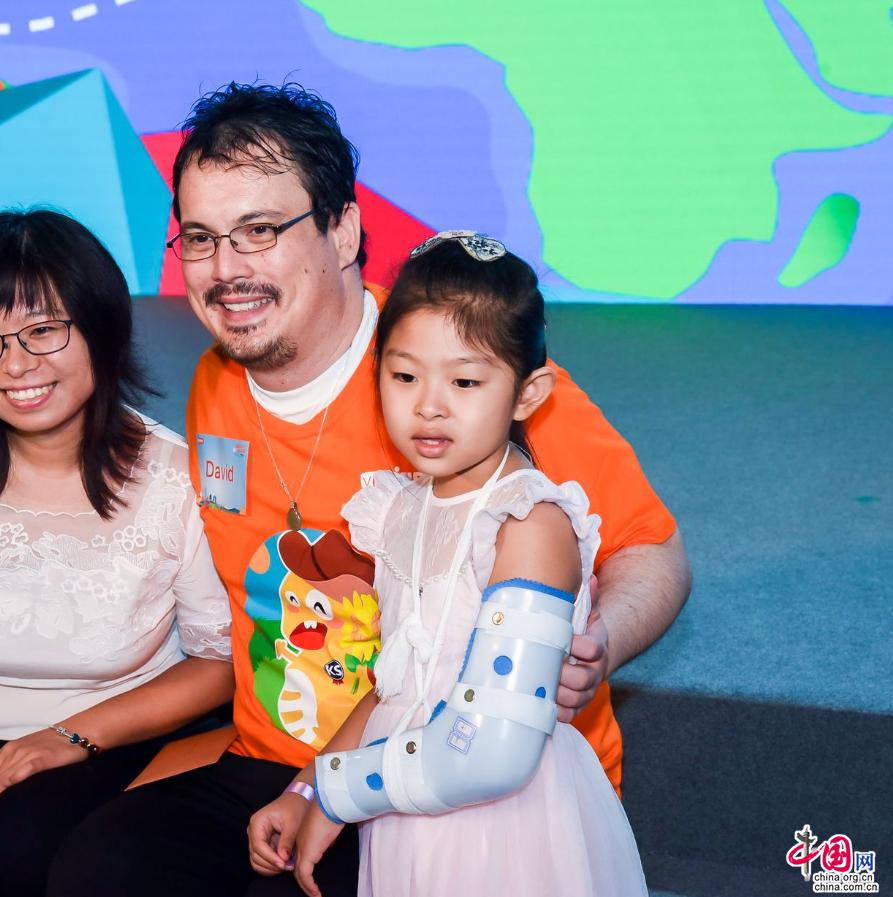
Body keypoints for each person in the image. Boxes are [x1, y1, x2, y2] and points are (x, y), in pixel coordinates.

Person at [47, 83, 690, 897]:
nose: (227, 268)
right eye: (201, 238)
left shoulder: (457, 382)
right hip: (281, 764)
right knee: (93, 869)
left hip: (451, 780)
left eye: (259, 230)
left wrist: (595, 641)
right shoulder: (216, 381)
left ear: (343, 231)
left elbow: (652, 549)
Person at [0, 209, 234, 896]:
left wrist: (73, 735)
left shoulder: (180, 480)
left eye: (44, 329)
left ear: (102, 329)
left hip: (122, 736)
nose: (17, 364)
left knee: (24, 853)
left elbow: (218, 661)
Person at [291, 232, 647, 897]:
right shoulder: (398, 508)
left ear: (527, 393)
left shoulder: (527, 524)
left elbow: (489, 754)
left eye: (464, 381)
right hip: (401, 803)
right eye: (404, 376)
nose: (429, 404)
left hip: (497, 826)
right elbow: (396, 685)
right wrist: (305, 789)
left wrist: (338, 794)